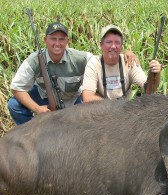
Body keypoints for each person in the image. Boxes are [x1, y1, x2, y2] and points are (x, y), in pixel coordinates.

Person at [8, 22, 138, 125]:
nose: (57, 43)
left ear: (67, 41)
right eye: (53, 39)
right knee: (14, 105)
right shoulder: (35, 59)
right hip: (43, 97)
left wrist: (123, 53)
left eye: (61, 39)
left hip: (74, 100)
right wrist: (37, 109)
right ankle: (29, 135)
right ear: (45, 40)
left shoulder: (80, 58)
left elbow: (104, 59)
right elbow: (16, 87)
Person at [82, 25, 161, 102]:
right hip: (103, 110)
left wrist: (156, 74)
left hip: (126, 110)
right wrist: (114, 107)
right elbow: (88, 98)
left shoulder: (129, 61)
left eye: (117, 42)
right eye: (109, 42)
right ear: (101, 45)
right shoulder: (94, 63)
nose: (113, 46)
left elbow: (149, 90)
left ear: (122, 46)